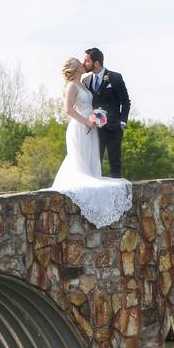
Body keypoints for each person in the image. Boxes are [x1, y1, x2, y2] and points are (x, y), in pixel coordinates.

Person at [47, 57, 132, 228]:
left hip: (91, 126)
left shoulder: (84, 83)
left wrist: (96, 116)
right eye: (80, 63)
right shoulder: (72, 86)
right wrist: (86, 121)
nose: (83, 64)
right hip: (80, 127)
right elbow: (68, 109)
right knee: (79, 158)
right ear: (75, 67)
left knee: (90, 156)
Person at [82, 47, 130, 178]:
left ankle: (118, 196)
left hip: (114, 128)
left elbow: (125, 102)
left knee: (115, 163)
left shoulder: (115, 77)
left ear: (96, 63)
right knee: (94, 164)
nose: (83, 64)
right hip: (94, 130)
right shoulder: (85, 81)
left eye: (86, 61)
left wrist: (122, 122)